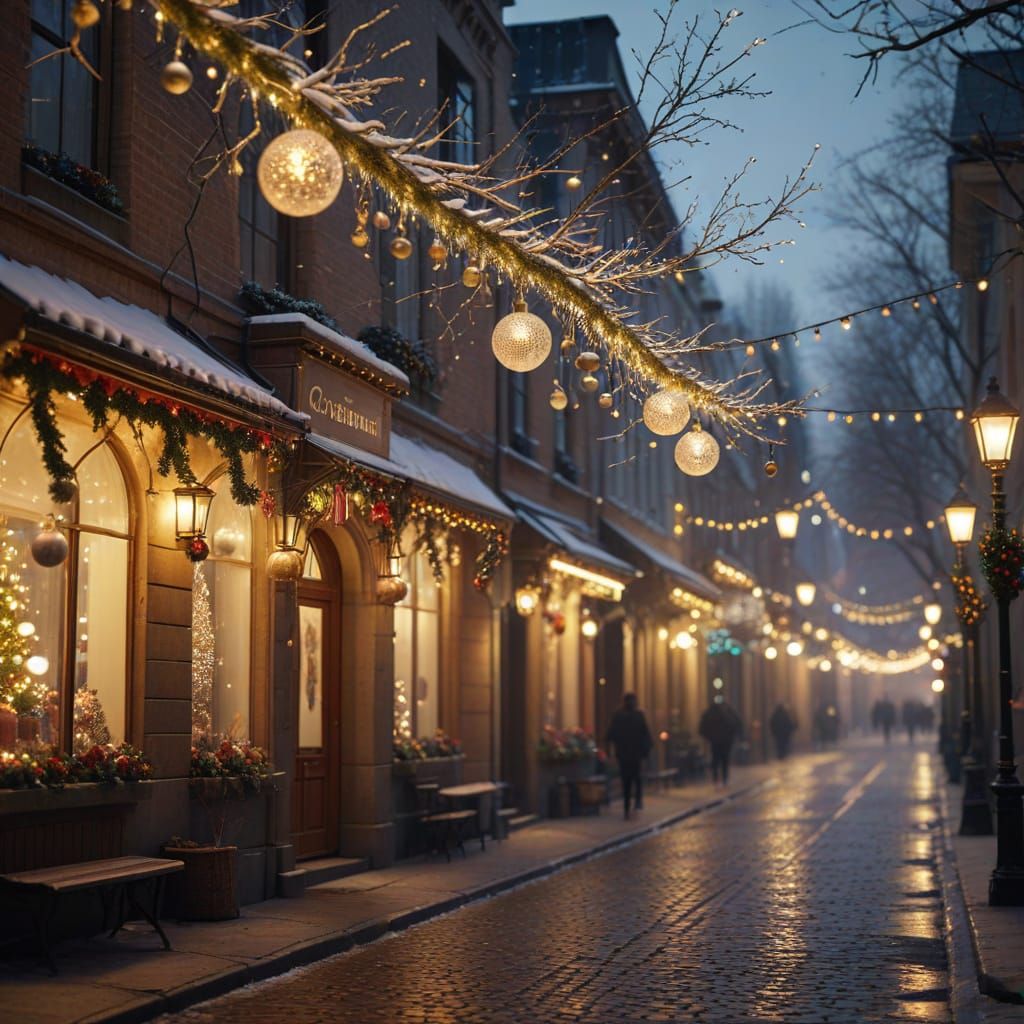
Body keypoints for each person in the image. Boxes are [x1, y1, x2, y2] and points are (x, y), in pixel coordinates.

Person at [605, 693, 653, 819]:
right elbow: (645, 734)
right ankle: (635, 802)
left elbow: (611, 734)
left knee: (628, 779)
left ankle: (630, 805)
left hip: (625, 753)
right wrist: (646, 752)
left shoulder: (620, 715)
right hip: (632, 753)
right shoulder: (635, 715)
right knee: (634, 778)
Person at [699, 699, 741, 787]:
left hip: (717, 741)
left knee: (717, 759)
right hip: (724, 741)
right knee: (723, 760)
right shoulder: (728, 712)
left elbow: (702, 727)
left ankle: (717, 779)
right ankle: (723, 779)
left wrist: (709, 737)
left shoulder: (711, 713)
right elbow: (736, 725)